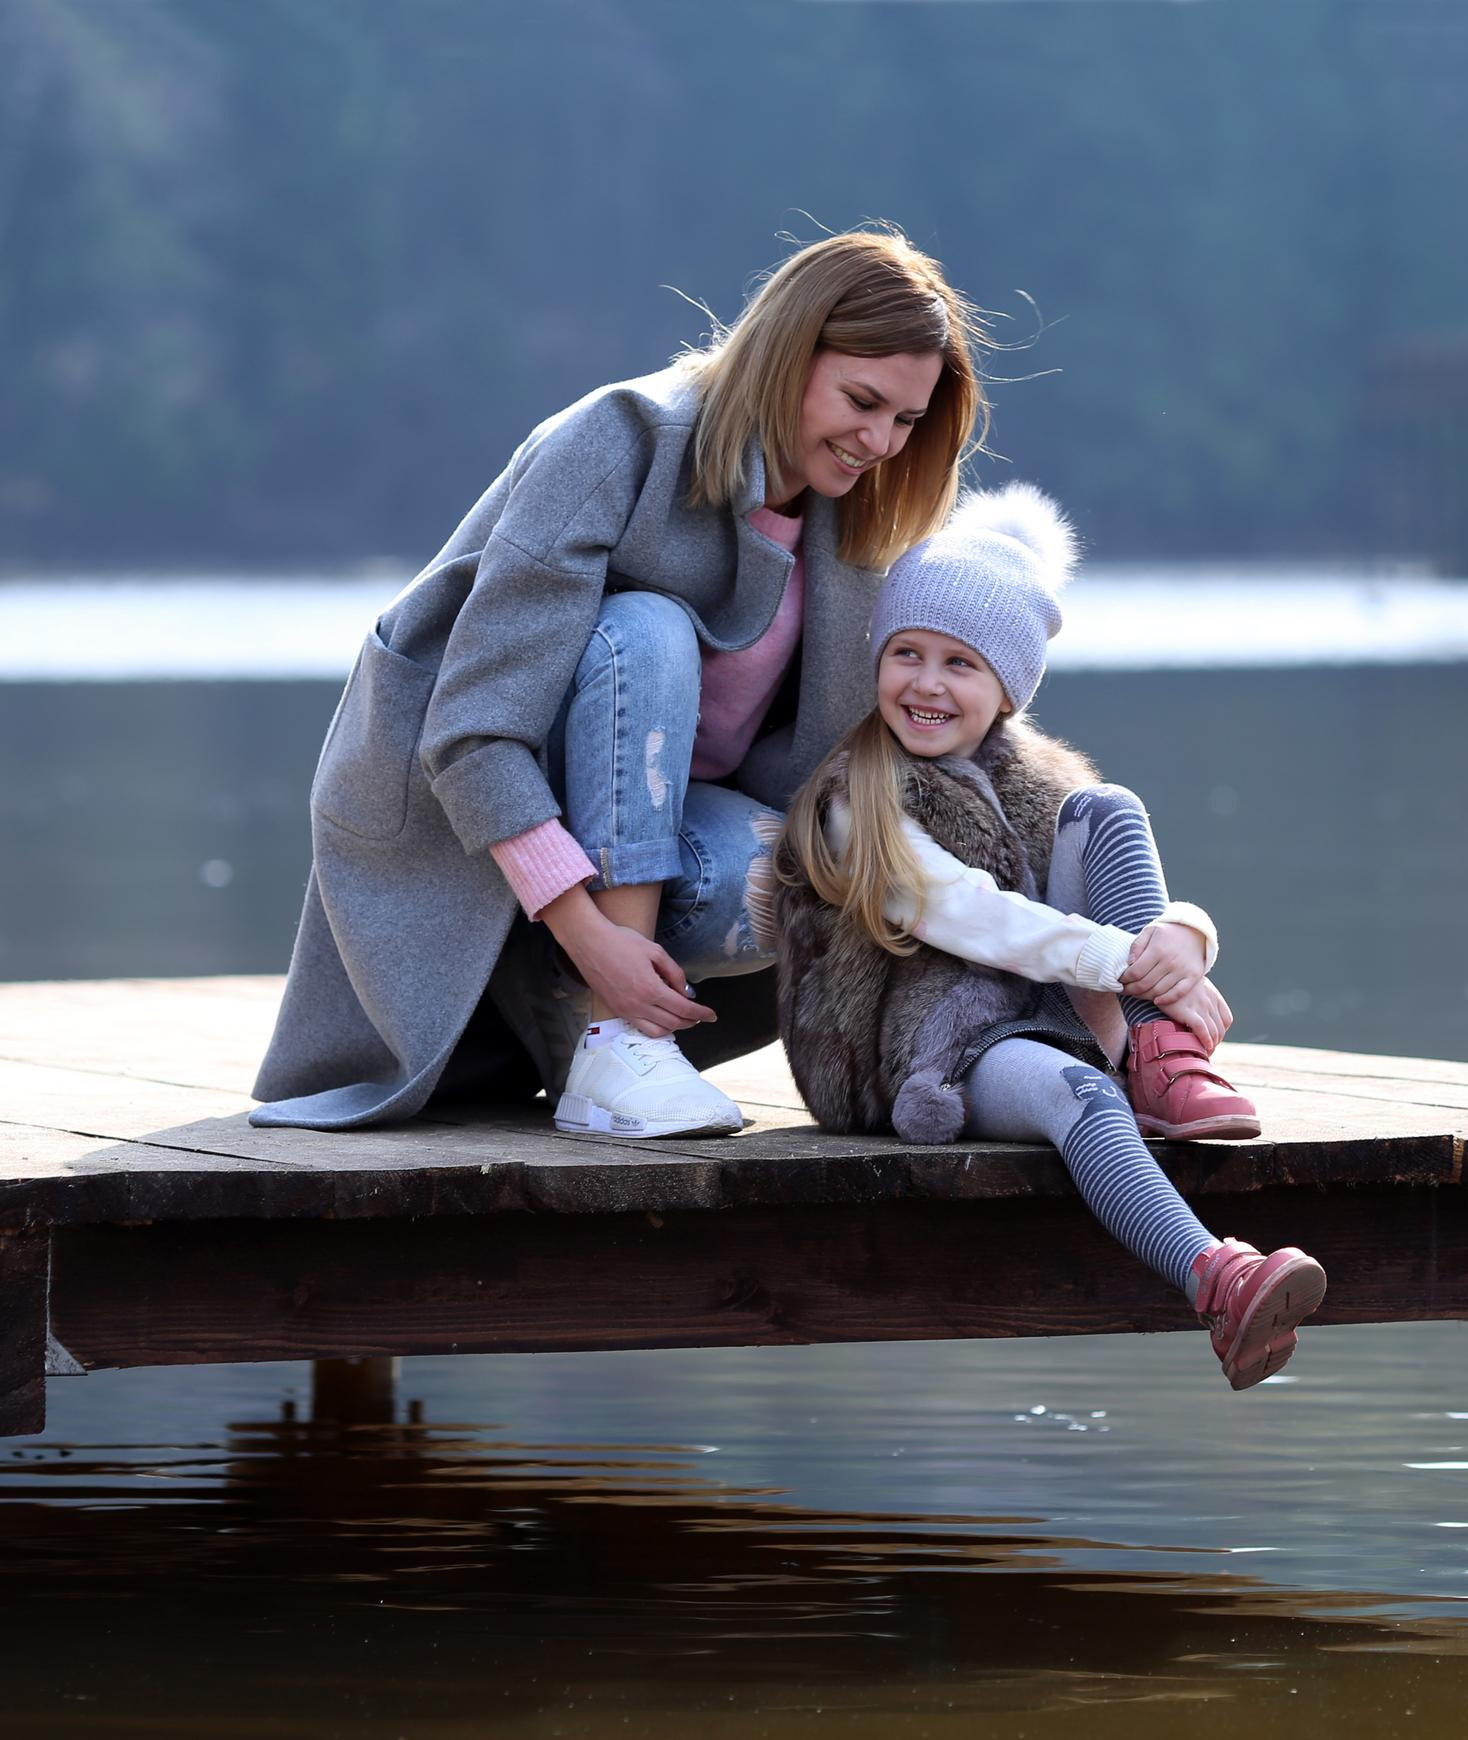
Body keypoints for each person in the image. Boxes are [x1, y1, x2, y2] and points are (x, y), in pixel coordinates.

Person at [251, 229, 985, 1134]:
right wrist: (594, 935)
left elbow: (883, 764)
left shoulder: (860, 524)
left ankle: (585, 1037)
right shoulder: (621, 438)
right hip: (464, 822)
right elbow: (474, 731)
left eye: (907, 421)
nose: (879, 441)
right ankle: (613, 1042)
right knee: (648, 629)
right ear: (789, 352)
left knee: (794, 868)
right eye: (861, 400)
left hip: (662, 829)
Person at [769, 484, 1327, 1390]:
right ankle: (1219, 1278)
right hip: (919, 1050)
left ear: (1006, 689)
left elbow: (1098, 902)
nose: (926, 683)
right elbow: (964, 913)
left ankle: (1160, 1050)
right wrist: (1138, 960)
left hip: (1032, 1005)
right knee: (1084, 1100)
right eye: (906, 653)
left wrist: (1187, 930)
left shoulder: (1035, 779)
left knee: (1108, 810)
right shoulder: (853, 801)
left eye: (960, 664)